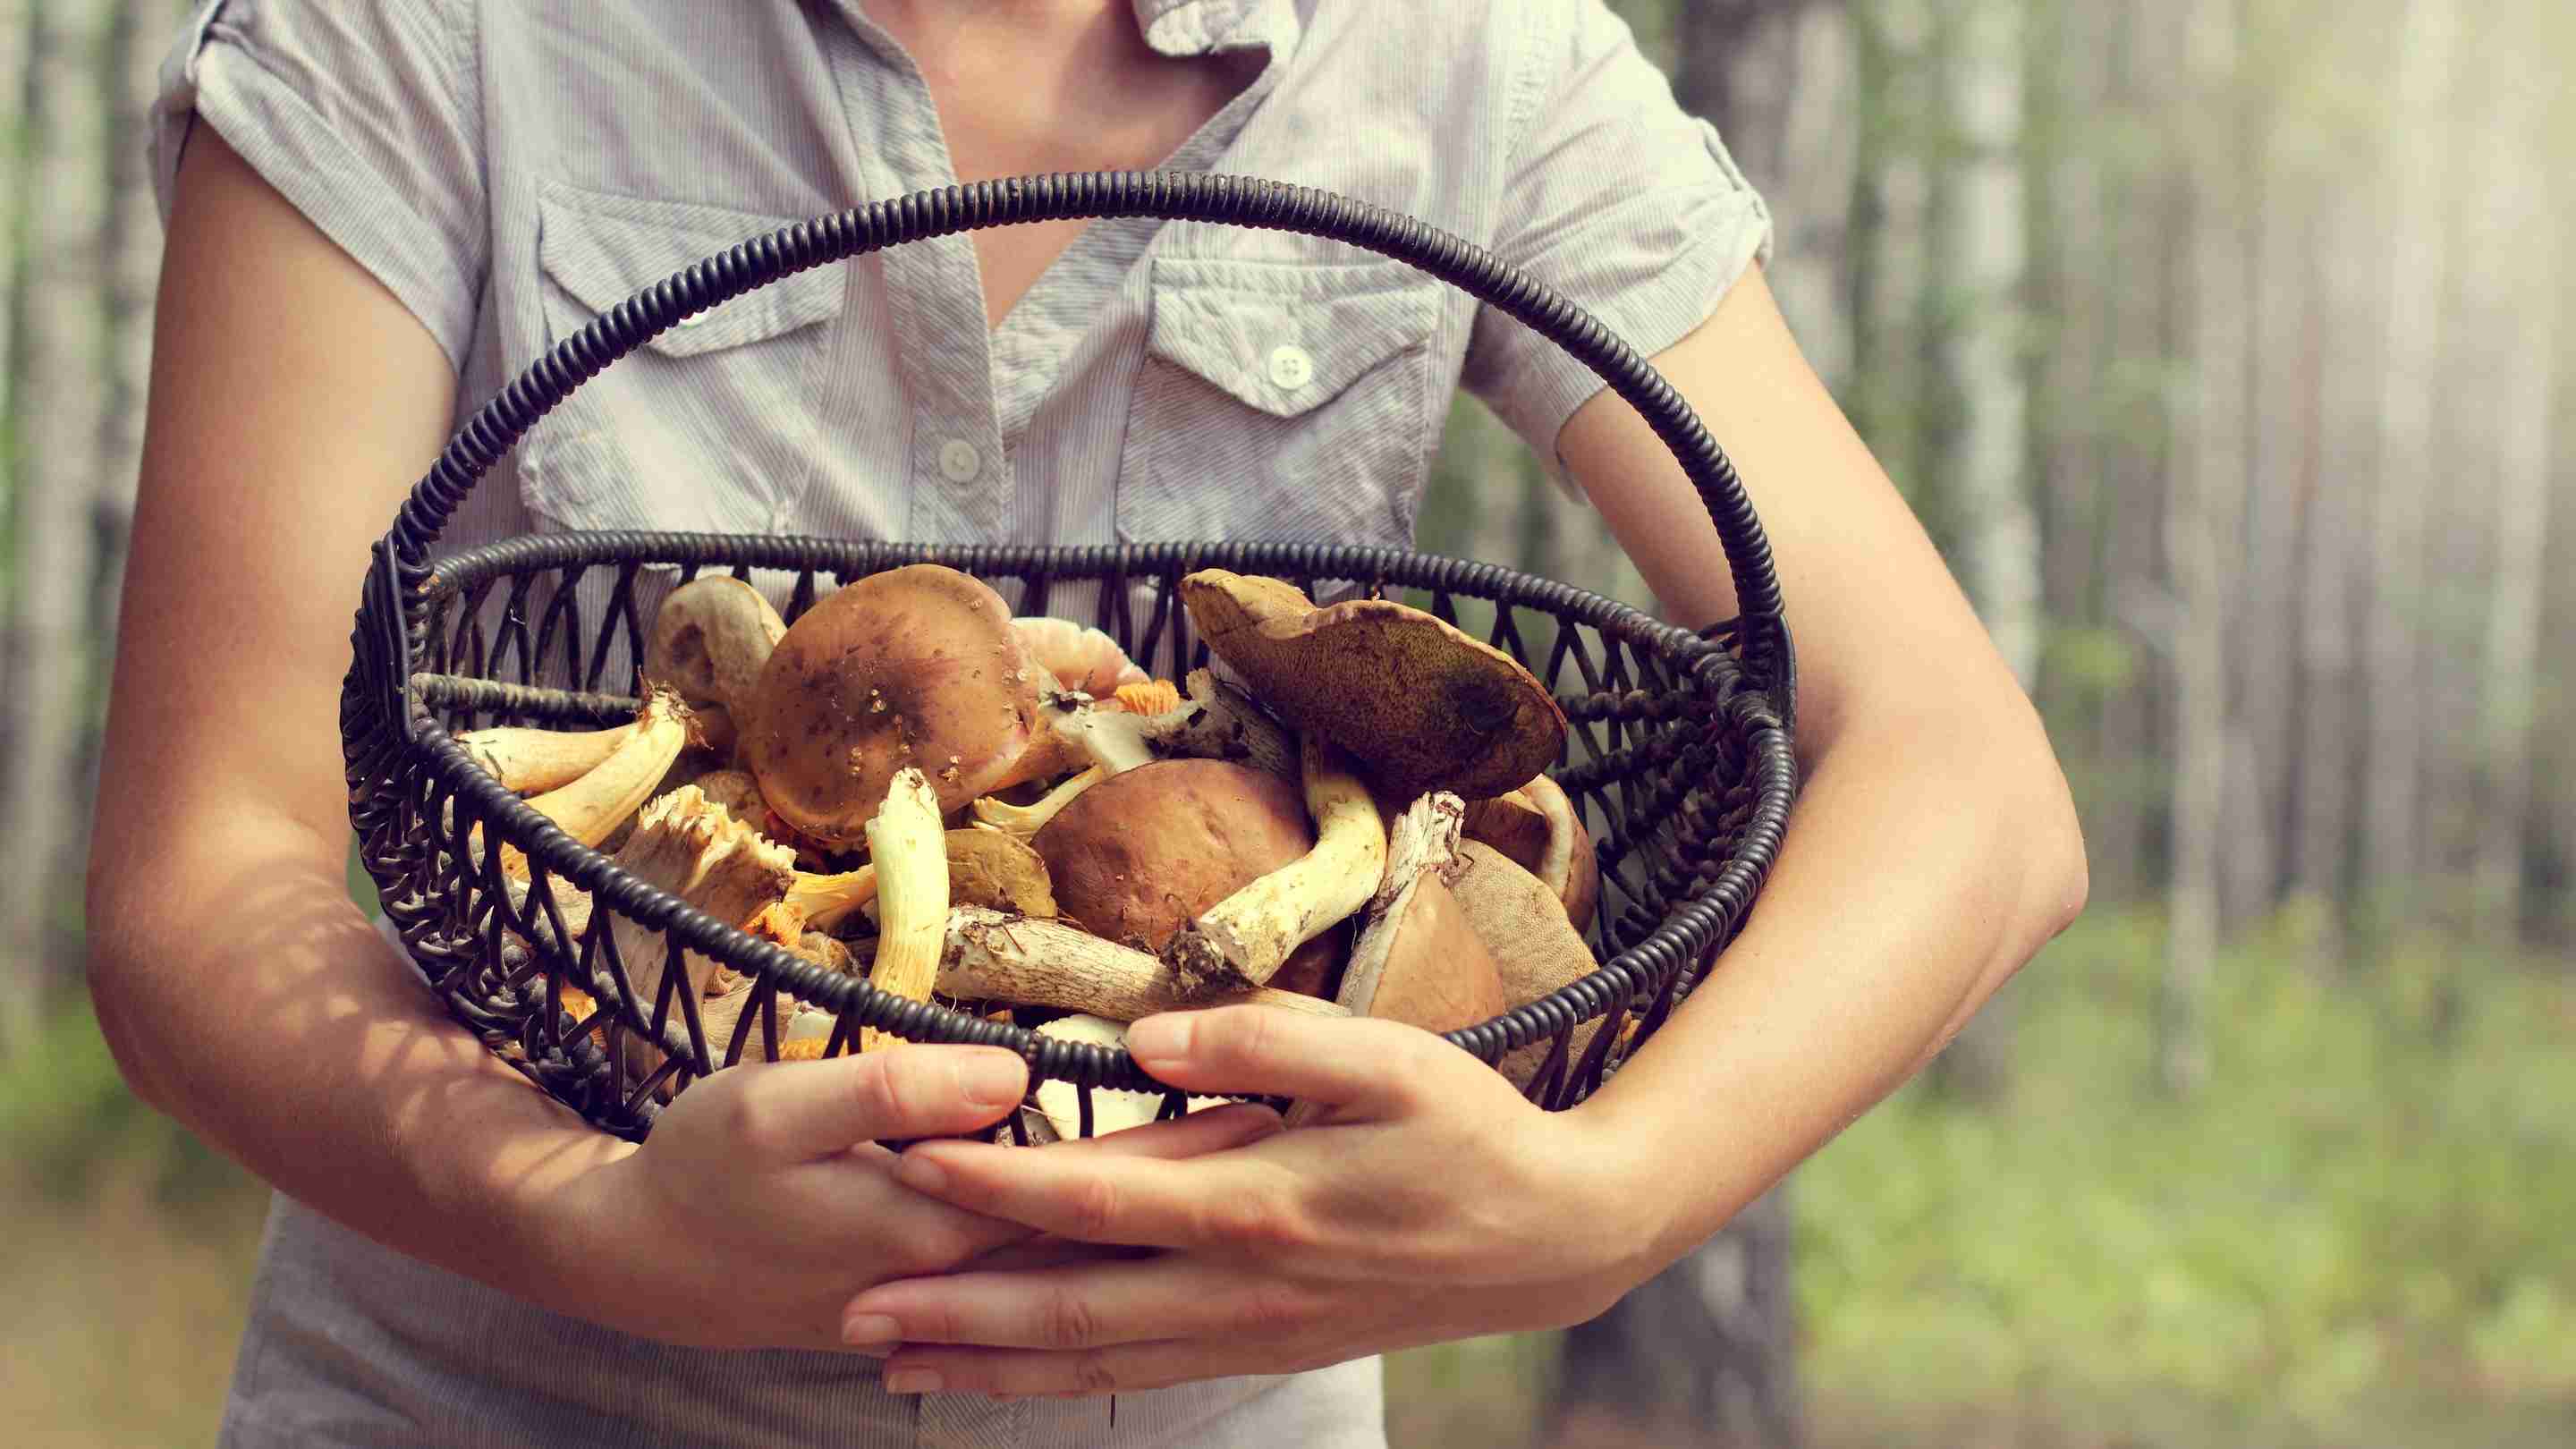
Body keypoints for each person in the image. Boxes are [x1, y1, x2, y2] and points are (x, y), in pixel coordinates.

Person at [88, 1, 2088, 1445]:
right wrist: (587, 1222)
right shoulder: (426, 31)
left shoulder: (1473, 58)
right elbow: (198, 894)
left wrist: (1607, 1207)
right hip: (501, 1392)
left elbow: (1970, 781)